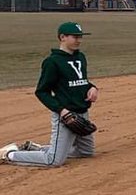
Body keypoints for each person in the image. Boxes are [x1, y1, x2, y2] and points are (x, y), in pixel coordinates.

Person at [2, 21, 99, 168]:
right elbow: (41, 91)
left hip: (82, 112)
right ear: (62, 37)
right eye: (75, 37)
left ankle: (36, 148)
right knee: (53, 160)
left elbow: (81, 81)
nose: (79, 40)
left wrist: (92, 88)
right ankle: (8, 154)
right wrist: (62, 111)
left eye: (80, 37)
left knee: (86, 152)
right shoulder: (52, 62)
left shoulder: (80, 57)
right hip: (66, 116)